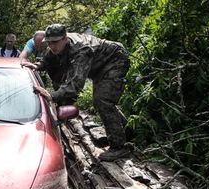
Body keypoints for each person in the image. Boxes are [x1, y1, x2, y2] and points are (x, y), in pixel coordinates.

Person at [25, 24, 130, 161]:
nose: (51, 46)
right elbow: (49, 57)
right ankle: (126, 132)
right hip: (99, 66)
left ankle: (119, 147)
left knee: (102, 100)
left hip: (115, 60)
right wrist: (39, 65)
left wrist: (52, 96)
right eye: (49, 43)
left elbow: (74, 86)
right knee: (102, 101)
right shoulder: (57, 46)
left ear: (65, 39)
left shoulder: (81, 50)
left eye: (55, 42)